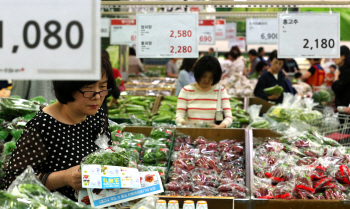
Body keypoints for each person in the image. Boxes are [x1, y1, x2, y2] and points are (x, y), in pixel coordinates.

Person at [5, 52, 115, 201]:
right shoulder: (42, 126)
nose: (97, 95)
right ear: (67, 87)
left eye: (103, 87)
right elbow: (13, 184)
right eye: (88, 88)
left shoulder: (96, 116)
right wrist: (64, 177)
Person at [175, 56, 233, 128]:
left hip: (214, 136)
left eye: (211, 77)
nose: (206, 80)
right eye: (203, 76)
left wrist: (220, 126)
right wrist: (188, 124)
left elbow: (229, 118)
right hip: (193, 136)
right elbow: (178, 118)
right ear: (198, 74)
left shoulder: (220, 91)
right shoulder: (186, 91)